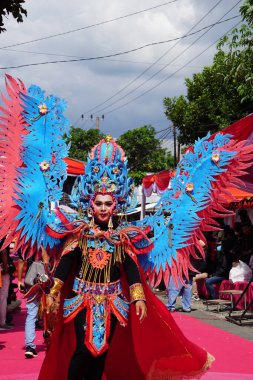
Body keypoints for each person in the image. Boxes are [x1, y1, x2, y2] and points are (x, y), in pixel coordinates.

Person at [38, 137, 213, 380]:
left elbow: (131, 270)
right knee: (81, 351)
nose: (102, 207)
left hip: (113, 303)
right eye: (98, 203)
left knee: (102, 353)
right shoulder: (80, 234)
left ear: (115, 205)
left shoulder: (122, 238)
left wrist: (138, 298)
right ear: (90, 204)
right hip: (81, 302)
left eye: (107, 203)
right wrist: (54, 292)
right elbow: (66, 265)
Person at [18, 249, 49, 358]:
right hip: (51, 276)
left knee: (31, 313)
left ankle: (29, 346)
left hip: (31, 280)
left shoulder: (29, 239)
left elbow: (21, 260)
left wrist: (20, 280)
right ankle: (52, 341)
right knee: (52, 311)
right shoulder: (54, 235)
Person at [0, 240, 13, 330]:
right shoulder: (2, 235)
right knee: (2, 297)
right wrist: (5, 267)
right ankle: (2, 322)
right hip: (1, 270)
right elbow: (4, 252)